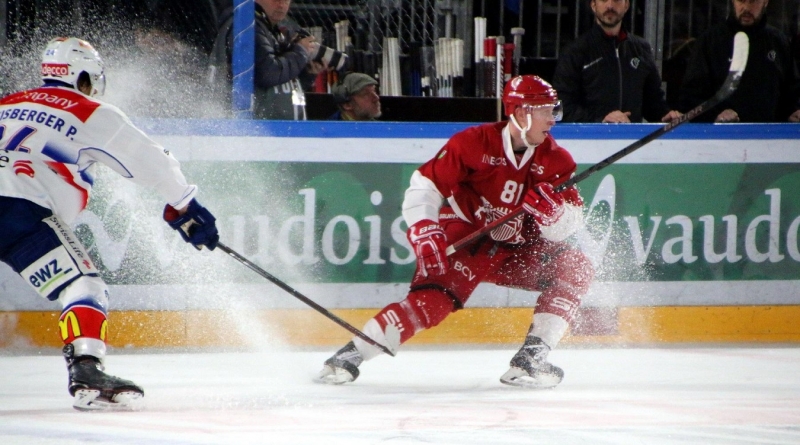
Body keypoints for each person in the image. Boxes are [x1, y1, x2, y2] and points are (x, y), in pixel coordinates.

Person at [315, 75, 594, 389]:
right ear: (519, 113)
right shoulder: (473, 142)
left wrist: (555, 216)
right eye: (544, 110)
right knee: (431, 303)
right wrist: (424, 228)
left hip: (515, 250)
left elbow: (572, 221)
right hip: (467, 239)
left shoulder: (557, 160)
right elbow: (426, 185)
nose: (552, 119)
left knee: (576, 267)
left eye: (552, 109)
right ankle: (350, 356)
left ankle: (532, 357)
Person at [0, 37, 219, 410]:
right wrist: (185, 204)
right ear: (84, 75)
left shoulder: (7, 103)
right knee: (82, 285)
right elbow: (151, 161)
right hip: (19, 212)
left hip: (18, 210)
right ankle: (86, 367)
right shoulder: (88, 111)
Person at [210, 0, 346, 120]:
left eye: (286, 0)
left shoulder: (271, 29)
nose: (281, 4)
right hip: (258, 131)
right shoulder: (247, 26)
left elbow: (278, 88)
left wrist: (307, 73)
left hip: (277, 132)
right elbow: (267, 73)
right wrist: (301, 52)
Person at [551, 0, 682, 123]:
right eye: (603, 0)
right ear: (593, 5)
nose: (610, 6)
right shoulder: (575, 51)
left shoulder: (641, 49)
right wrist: (601, 120)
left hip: (633, 141)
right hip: (588, 142)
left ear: (626, 5)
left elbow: (652, 101)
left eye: (616, 0)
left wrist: (665, 115)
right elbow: (561, 108)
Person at [679, 0, 800, 123]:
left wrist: (792, 112)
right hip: (721, 137)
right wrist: (715, 115)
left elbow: (791, 94)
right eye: (741, 1)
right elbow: (690, 98)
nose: (746, 7)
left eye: (753, 2)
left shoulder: (778, 42)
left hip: (769, 137)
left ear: (765, 2)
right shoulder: (710, 41)